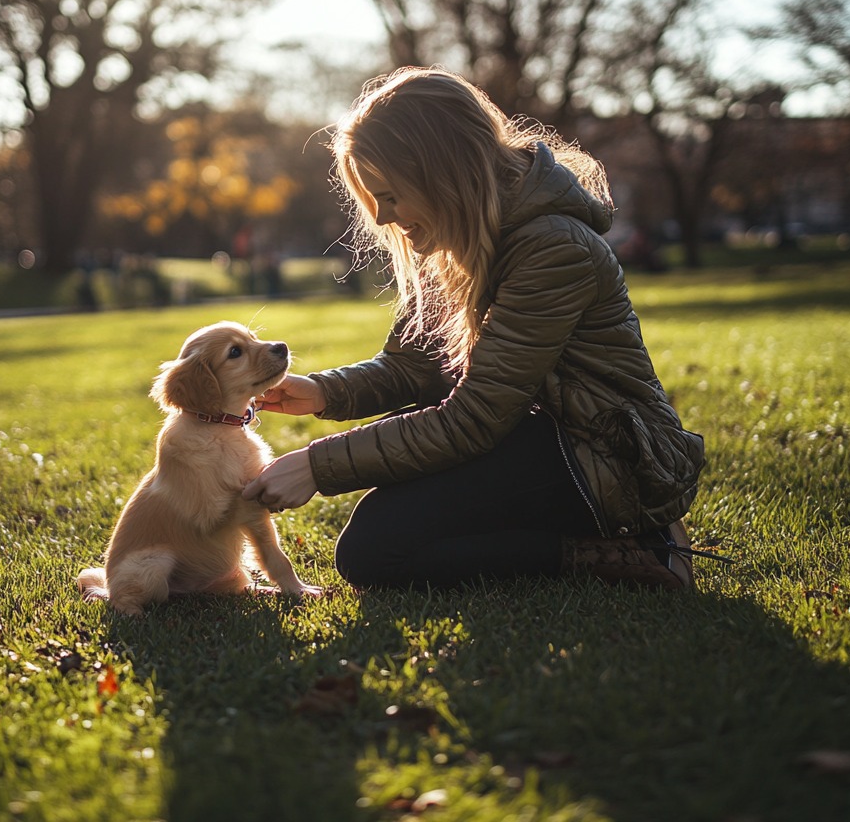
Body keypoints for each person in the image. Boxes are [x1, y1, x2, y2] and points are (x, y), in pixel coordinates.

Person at [241, 67, 706, 591]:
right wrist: (322, 392)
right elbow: (414, 366)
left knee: (375, 551)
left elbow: (476, 418)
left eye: (391, 195)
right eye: (375, 200)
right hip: (533, 433)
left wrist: (317, 467)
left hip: (606, 460)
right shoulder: (455, 238)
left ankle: (631, 550)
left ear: (443, 173)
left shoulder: (554, 248)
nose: (384, 216)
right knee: (379, 543)